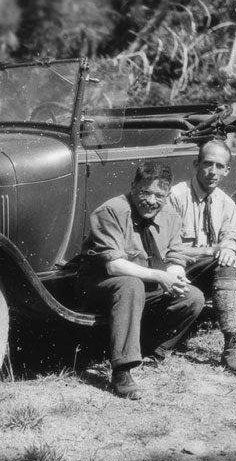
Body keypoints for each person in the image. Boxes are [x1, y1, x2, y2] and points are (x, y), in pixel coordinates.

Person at [77, 162, 205, 399]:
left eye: (159, 195)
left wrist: (176, 275)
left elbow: (176, 255)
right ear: (133, 186)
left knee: (193, 297)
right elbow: (113, 265)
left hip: (144, 286)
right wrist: (159, 275)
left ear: (167, 195)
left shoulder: (169, 215)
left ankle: (150, 351)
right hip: (100, 284)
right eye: (144, 192)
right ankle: (122, 370)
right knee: (130, 283)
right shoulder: (112, 211)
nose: (150, 201)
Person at [169, 139, 236, 377]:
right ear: (195, 164)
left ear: (227, 171)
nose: (212, 172)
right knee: (225, 264)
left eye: (219, 166)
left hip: (211, 273)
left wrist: (228, 247)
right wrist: (213, 251)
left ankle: (235, 343)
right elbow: (168, 249)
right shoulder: (176, 197)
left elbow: (231, 236)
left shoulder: (226, 203)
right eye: (208, 164)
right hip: (179, 271)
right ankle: (231, 344)